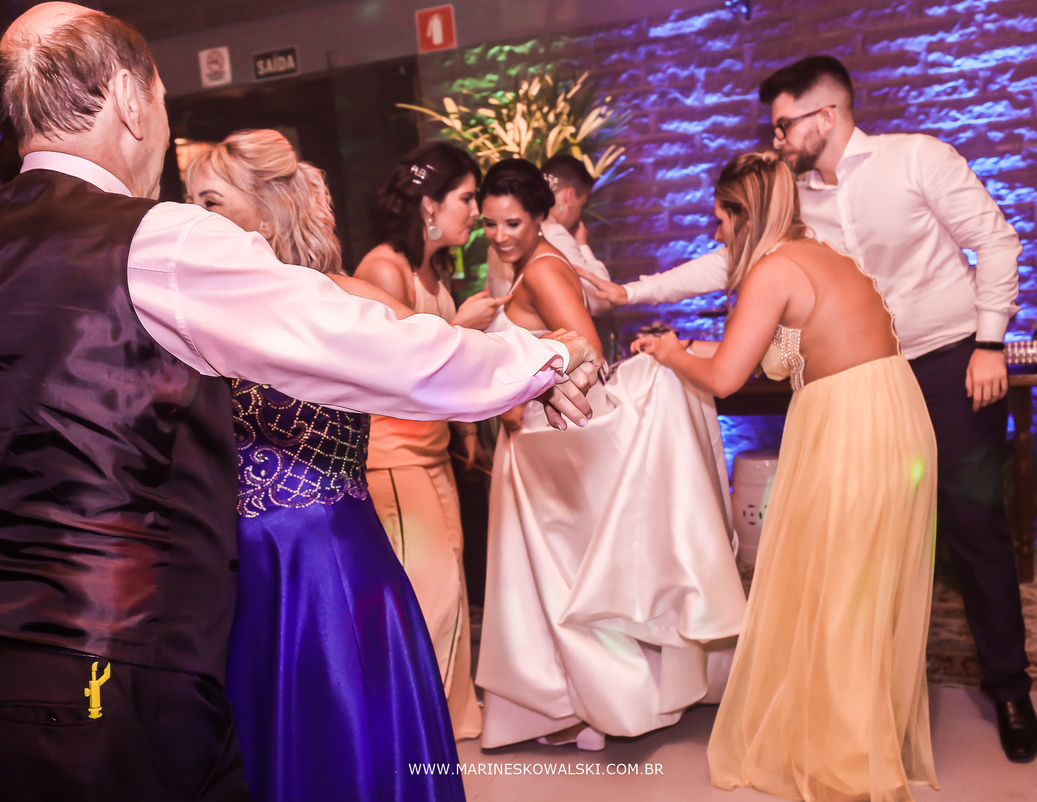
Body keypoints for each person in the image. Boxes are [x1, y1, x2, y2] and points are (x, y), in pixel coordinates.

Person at [0, 6, 599, 801]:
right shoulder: (160, 241)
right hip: (120, 673)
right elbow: (375, 350)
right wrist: (547, 357)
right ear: (131, 99)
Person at [581, 54, 1037, 763]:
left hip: (950, 359)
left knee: (973, 522)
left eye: (783, 124)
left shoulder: (915, 159)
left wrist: (989, 342)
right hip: (865, 377)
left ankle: (1009, 689)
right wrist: (633, 292)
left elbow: (997, 241)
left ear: (826, 114)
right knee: (873, 538)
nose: (776, 139)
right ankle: (877, 694)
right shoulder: (792, 199)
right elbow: (734, 257)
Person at [633, 151, 938, 801]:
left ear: (744, 215)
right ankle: (849, 735)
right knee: (859, 589)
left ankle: (848, 763)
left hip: (851, 429)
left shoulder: (772, 269)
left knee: (840, 591)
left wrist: (672, 355)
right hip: (892, 416)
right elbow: (751, 354)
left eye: (721, 219)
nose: (716, 232)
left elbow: (725, 377)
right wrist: (677, 350)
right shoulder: (820, 253)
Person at [183, 129, 464, 802]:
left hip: (327, 563)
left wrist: (536, 366)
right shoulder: (196, 314)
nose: (194, 217)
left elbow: (440, 357)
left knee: (347, 738)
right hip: (240, 570)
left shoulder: (338, 297)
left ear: (266, 211)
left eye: (211, 201)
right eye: (188, 201)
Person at [475, 158, 745, 752]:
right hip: (538, 438)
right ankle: (585, 701)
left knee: (562, 580)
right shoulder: (536, 263)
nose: (499, 236)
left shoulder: (542, 270)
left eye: (512, 223)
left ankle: (593, 703)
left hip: (548, 439)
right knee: (560, 578)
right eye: (489, 224)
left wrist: (517, 381)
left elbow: (588, 353)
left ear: (541, 216)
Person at [353, 142, 501, 741]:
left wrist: (465, 430)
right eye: (467, 198)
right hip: (392, 458)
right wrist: (461, 327)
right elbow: (385, 366)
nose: (476, 211)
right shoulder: (383, 268)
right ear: (429, 205)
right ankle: (413, 732)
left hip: (432, 453)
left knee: (452, 588)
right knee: (427, 595)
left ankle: (450, 718)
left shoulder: (433, 270)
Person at [486, 154, 610, 314]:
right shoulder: (554, 236)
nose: (579, 215)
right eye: (582, 206)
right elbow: (602, 300)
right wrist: (582, 245)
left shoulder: (498, 239)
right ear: (570, 196)